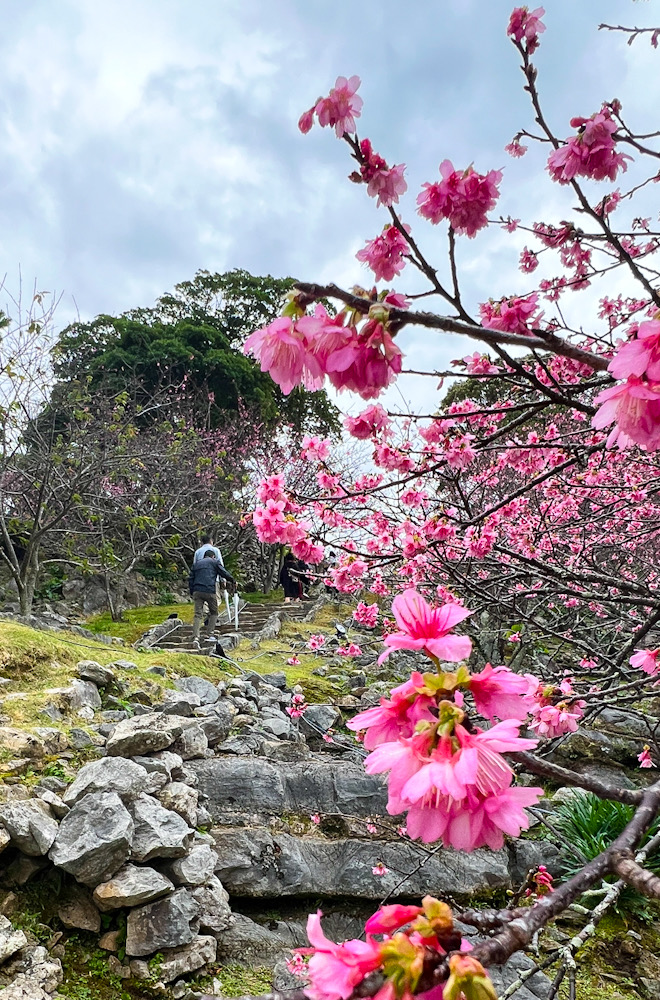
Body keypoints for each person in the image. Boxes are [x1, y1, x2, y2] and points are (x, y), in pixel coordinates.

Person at [189, 550, 235, 648]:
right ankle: (209, 634)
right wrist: (232, 579)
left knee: (198, 614)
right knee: (214, 613)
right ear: (213, 556)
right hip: (209, 590)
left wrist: (192, 591)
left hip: (197, 591)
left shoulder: (196, 564)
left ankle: (195, 637)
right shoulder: (214, 562)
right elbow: (223, 572)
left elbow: (191, 578)